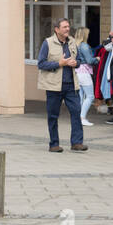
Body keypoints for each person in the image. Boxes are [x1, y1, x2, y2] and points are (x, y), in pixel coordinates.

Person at [36, 17, 87, 152]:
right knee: (53, 115)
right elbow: (41, 64)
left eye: (68, 26)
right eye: (64, 27)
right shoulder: (47, 43)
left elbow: (80, 60)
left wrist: (76, 63)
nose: (68, 29)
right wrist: (60, 63)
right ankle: (54, 144)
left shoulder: (72, 43)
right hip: (54, 86)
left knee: (76, 112)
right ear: (57, 29)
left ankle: (77, 143)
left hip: (71, 85)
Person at [74, 26, 95, 127]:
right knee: (90, 96)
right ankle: (82, 118)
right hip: (84, 72)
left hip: (76, 71)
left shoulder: (74, 45)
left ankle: (78, 118)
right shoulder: (84, 46)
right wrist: (97, 59)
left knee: (80, 96)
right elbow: (90, 60)